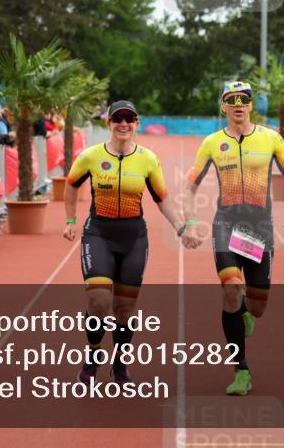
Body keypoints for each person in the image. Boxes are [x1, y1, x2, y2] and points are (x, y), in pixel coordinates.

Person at [181, 81, 284, 396]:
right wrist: (192, 222)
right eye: (231, 99)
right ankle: (242, 371)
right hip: (226, 223)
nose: (238, 104)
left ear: (251, 105)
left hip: (259, 228)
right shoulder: (212, 142)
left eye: (244, 99)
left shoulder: (271, 139)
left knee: (257, 306)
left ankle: (247, 314)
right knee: (231, 290)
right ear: (223, 106)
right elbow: (190, 186)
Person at [63, 100, 200, 384]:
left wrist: (181, 228)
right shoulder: (90, 156)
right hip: (98, 233)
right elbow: (70, 184)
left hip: (133, 236)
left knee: (124, 309)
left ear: (137, 123)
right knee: (99, 301)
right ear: (108, 123)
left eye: (129, 119)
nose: (123, 124)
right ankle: (92, 358)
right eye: (117, 119)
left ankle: (120, 363)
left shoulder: (148, 159)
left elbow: (162, 199)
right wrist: (71, 221)